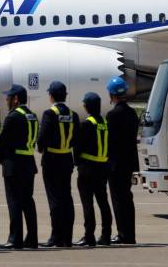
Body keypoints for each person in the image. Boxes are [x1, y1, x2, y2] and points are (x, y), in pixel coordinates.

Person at [36, 81, 79, 248]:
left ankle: (56, 236)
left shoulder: (50, 113)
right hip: (66, 158)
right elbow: (76, 137)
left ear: (51, 96)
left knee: (54, 199)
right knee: (67, 198)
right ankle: (67, 237)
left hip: (52, 159)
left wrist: (41, 148)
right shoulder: (73, 114)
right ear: (65, 96)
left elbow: (43, 136)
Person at [0, 84, 38, 250]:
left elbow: (4, 140)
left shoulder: (13, 117)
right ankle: (32, 238)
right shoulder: (32, 115)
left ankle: (15, 238)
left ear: (16, 99)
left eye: (8, 97)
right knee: (28, 202)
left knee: (14, 202)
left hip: (14, 164)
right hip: (28, 163)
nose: (6, 100)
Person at [75, 92, 112, 247]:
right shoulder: (104, 122)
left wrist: (77, 163)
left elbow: (78, 146)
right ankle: (106, 235)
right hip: (102, 167)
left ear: (87, 106)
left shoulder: (87, 124)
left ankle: (89, 236)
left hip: (88, 168)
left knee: (88, 203)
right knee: (103, 202)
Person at [106, 77, 139, 245]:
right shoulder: (132, 113)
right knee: (127, 198)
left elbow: (109, 142)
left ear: (112, 95)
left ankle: (122, 234)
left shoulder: (112, 115)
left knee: (118, 199)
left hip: (116, 164)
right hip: (129, 162)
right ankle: (130, 234)